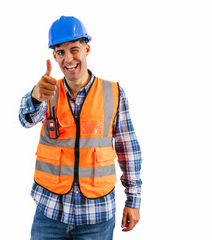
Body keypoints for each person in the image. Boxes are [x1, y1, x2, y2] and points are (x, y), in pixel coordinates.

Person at [19, 16, 142, 240]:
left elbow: (128, 150)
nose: (69, 59)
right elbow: (25, 120)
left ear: (87, 49)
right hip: (49, 213)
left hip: (96, 217)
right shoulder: (47, 91)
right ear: (54, 56)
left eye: (74, 50)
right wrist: (35, 97)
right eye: (61, 52)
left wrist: (133, 200)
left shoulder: (113, 93)